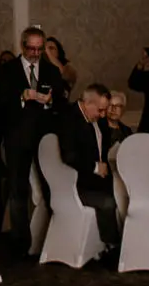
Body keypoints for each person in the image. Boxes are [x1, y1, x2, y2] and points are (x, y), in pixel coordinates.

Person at [0, 27, 68, 240]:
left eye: (39, 49)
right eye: (31, 49)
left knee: (50, 187)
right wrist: (23, 98)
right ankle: (20, 243)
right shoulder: (8, 70)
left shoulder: (51, 71)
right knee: (18, 191)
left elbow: (62, 104)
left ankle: (52, 240)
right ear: (22, 45)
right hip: (17, 138)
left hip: (45, 138)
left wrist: (50, 101)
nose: (35, 54)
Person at [51, 82, 121, 247]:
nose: (103, 115)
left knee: (125, 193)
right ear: (87, 103)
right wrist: (96, 167)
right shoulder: (68, 118)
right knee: (108, 201)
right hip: (74, 186)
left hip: (96, 181)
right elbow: (69, 156)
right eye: (100, 110)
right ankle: (110, 246)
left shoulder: (99, 121)